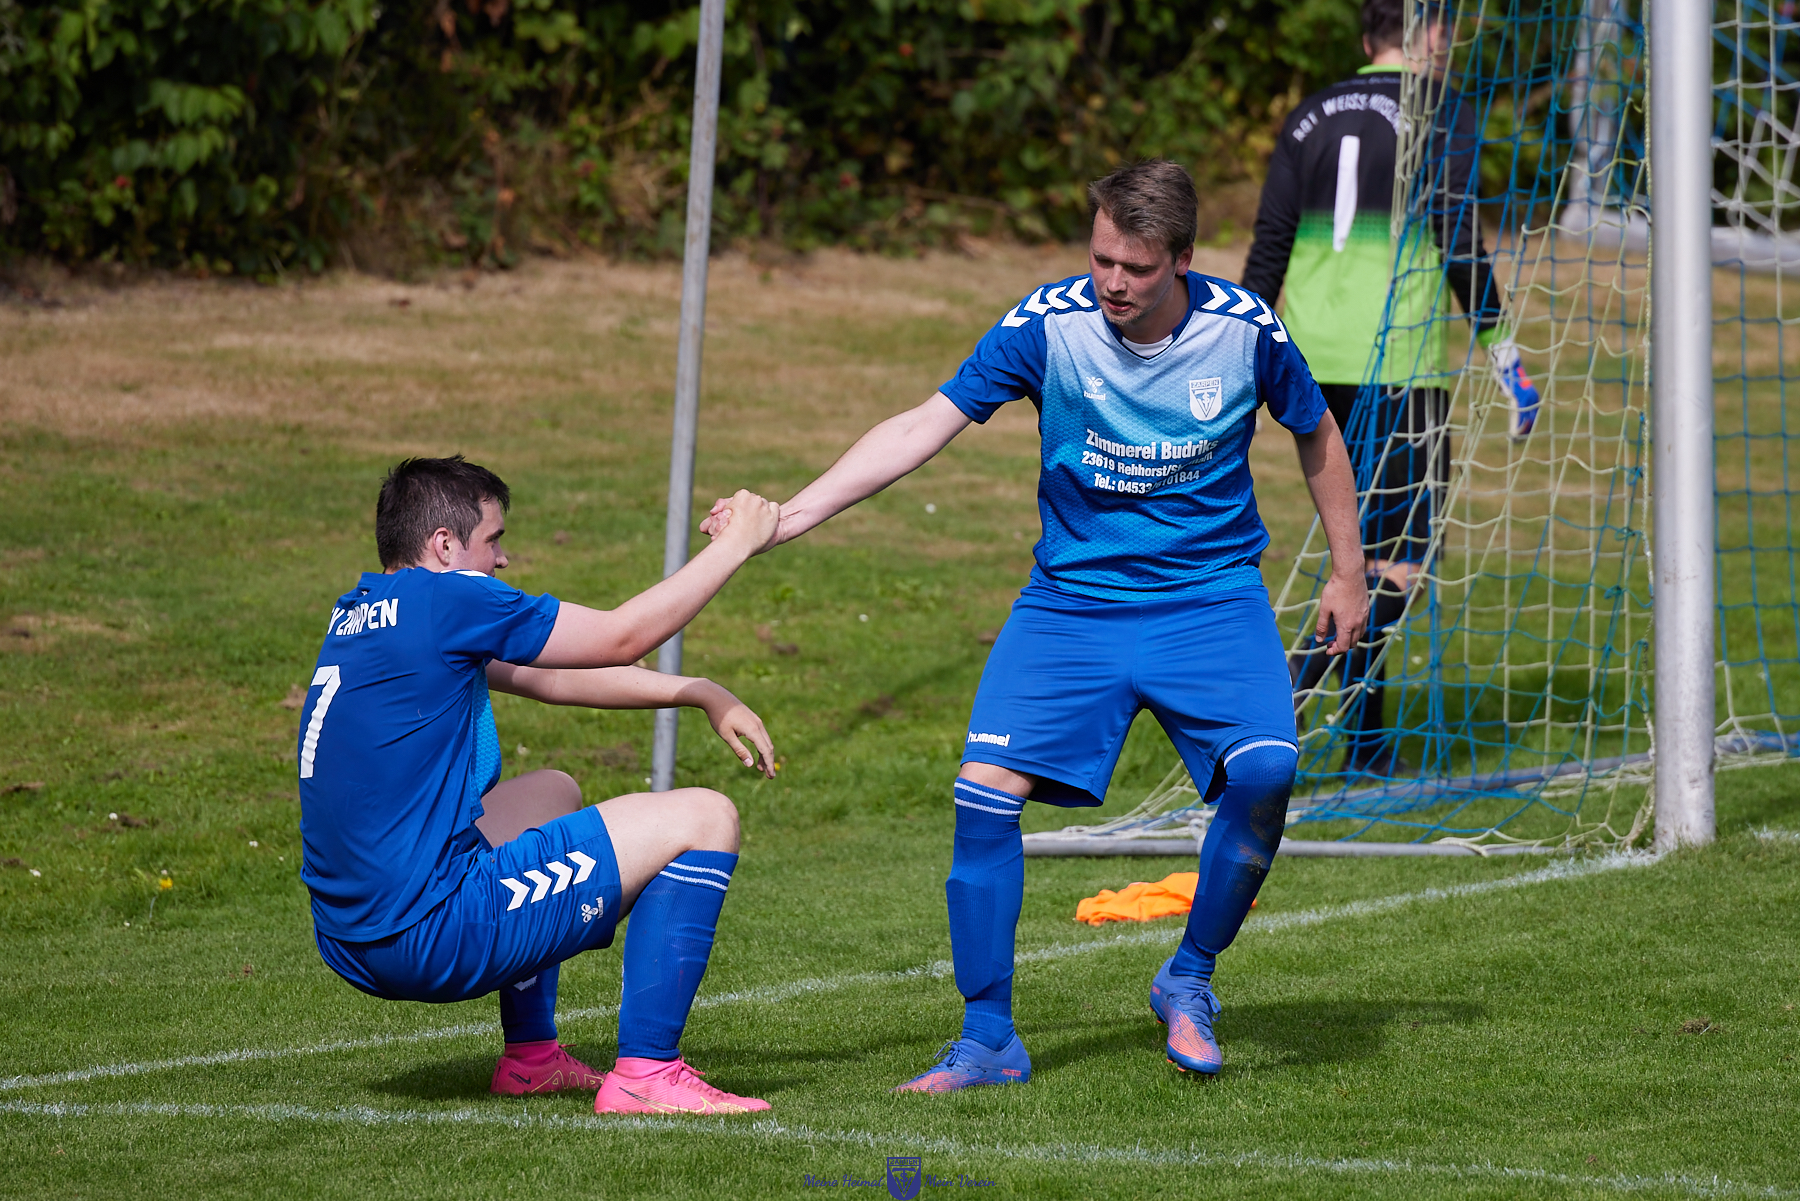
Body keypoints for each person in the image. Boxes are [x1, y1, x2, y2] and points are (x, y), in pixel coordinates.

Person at [701, 159, 1368, 1084]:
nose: (1113, 283)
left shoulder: (1245, 330)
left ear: (1182, 259)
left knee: (1266, 771)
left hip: (1208, 596)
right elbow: (921, 426)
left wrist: (1348, 569)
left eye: (1137, 267)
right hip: (1071, 604)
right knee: (982, 793)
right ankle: (988, 1038)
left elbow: (1317, 430)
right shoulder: (1048, 324)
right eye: (1102, 259)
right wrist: (788, 517)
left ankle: (1188, 975)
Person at [297, 456, 781, 1115]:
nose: (503, 558)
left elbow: (550, 675)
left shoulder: (363, 613)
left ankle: (532, 1059)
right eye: (492, 539)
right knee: (708, 817)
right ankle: (647, 1073)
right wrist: (736, 544)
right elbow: (622, 635)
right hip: (426, 933)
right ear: (444, 545)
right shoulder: (448, 600)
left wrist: (698, 691)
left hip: (349, 933)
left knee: (551, 791)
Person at [1240, 0, 1541, 776]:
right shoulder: (1441, 108)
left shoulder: (1308, 115)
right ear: (1430, 32)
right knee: (1402, 556)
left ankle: (1366, 744)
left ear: (1365, 37)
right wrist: (1505, 354)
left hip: (1311, 359)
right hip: (1398, 359)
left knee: (1360, 551)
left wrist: (1239, 354)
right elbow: (1454, 234)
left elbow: (1270, 245)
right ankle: (1281, 709)